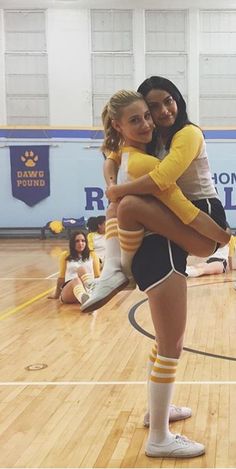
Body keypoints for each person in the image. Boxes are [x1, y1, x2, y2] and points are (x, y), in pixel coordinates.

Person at [81, 82, 230, 458]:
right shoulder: (148, 158)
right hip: (162, 252)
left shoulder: (142, 148)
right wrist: (218, 236)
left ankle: (156, 411)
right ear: (119, 125)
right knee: (171, 345)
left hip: (161, 249)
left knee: (166, 343)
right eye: (142, 115)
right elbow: (172, 195)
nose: (153, 119)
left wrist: (112, 185)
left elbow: (113, 158)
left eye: (158, 110)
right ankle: (159, 437)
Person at [81, 85, 229, 313]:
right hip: (185, 215)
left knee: (126, 206)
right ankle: (114, 271)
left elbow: (163, 179)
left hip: (204, 217)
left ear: (178, 99)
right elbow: (111, 157)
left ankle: (122, 273)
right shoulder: (147, 143)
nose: (160, 114)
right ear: (118, 126)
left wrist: (223, 236)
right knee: (116, 208)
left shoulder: (186, 133)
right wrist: (112, 185)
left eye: (168, 101)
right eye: (152, 108)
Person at [48, 230, 100, 305]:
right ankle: (86, 300)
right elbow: (62, 277)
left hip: (86, 287)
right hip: (69, 290)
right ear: (72, 243)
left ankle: (87, 296)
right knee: (76, 280)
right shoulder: (65, 255)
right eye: (77, 241)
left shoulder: (92, 255)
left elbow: (97, 276)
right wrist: (56, 295)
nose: (80, 243)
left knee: (81, 269)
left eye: (83, 241)